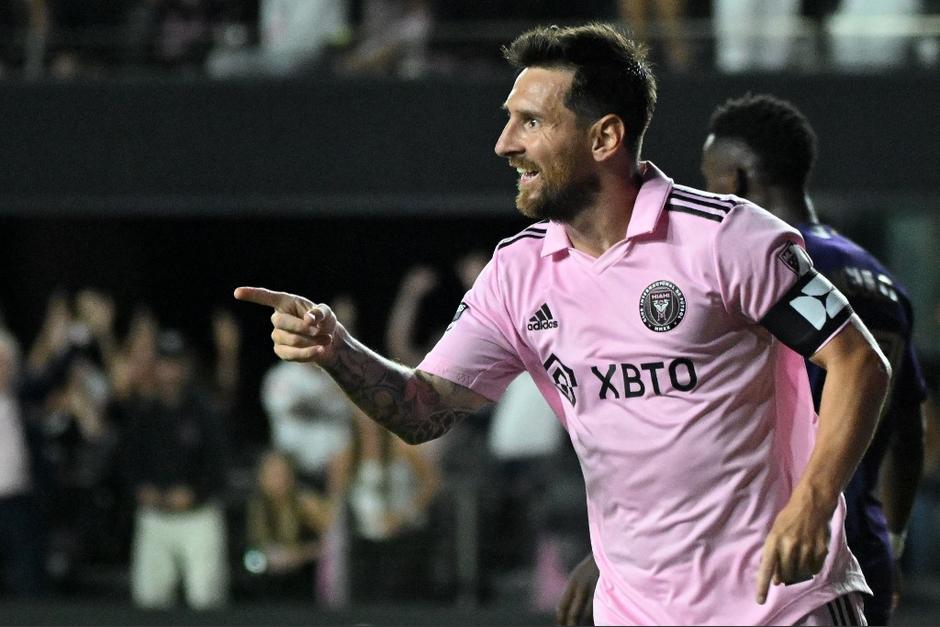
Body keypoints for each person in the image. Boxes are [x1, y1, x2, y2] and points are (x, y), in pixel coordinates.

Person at [236, 23, 891, 625]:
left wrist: (812, 500)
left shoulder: (728, 240)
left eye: (530, 122)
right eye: (508, 121)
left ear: (604, 137)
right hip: (636, 611)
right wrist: (338, 349)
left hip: (781, 605)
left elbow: (860, 362)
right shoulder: (519, 273)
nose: (504, 143)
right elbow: (421, 408)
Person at [558, 92, 930, 626]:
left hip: (769, 558)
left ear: (733, 181)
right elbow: (908, 427)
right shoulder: (881, 278)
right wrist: (892, 539)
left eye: (710, 182)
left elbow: (690, 432)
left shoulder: (756, 269)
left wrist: (611, 556)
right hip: (858, 540)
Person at [122, 329, 230, 610]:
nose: (170, 371)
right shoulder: (144, 413)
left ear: (186, 367)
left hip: (198, 515)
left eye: (176, 363)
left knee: (206, 598)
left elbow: (219, 464)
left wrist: (195, 493)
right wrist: (140, 488)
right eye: (164, 363)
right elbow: (129, 461)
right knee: (150, 600)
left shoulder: (204, 412)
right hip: (155, 516)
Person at [244, 449, 331, 599]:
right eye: (273, 475)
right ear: (262, 478)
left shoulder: (306, 504)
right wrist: (266, 558)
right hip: (267, 587)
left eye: (283, 474)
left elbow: (333, 544)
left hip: (306, 582)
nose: (279, 480)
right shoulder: (255, 510)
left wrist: (300, 554)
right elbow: (248, 556)